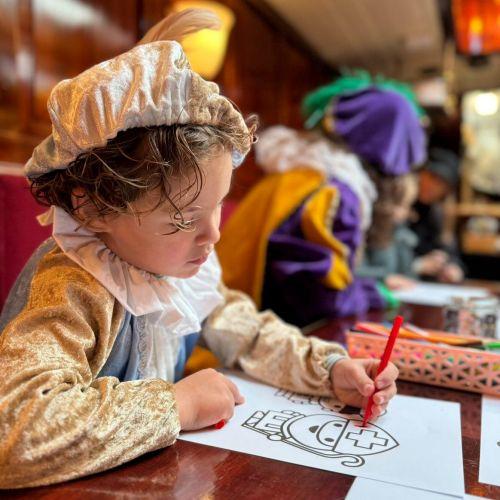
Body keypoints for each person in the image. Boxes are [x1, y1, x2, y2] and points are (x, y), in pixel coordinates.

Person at [0, 10, 398, 489]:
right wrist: (178, 404)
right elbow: (15, 431)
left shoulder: (173, 264)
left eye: (218, 207)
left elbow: (246, 332)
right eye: (184, 218)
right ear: (92, 207)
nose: (213, 235)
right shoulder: (73, 286)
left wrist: (329, 370)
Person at [410, 148, 465, 283]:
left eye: (442, 183)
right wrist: (418, 265)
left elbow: (450, 252)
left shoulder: (439, 214)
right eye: (432, 178)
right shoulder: (400, 209)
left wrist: (453, 268)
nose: (434, 186)